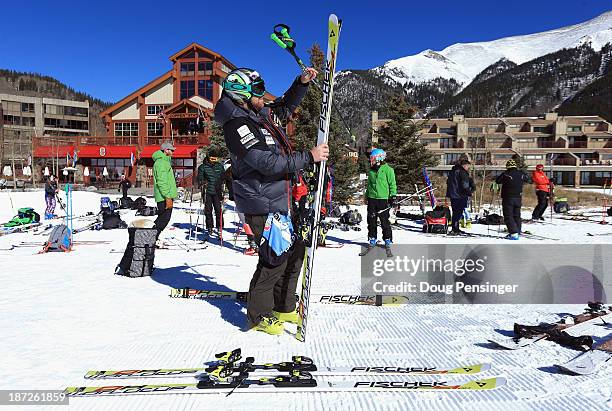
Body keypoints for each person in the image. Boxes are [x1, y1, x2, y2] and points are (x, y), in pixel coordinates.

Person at [214, 66, 327, 335]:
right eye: (257, 92)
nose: (263, 96)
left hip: (277, 198)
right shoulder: (237, 125)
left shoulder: (259, 115)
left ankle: (283, 306)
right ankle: (258, 316)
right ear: (240, 94)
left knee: (294, 251)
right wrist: (308, 157)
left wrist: (301, 84)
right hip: (259, 201)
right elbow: (265, 162)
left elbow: (283, 109)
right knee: (274, 258)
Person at [365, 148, 397, 249]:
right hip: (372, 198)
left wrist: (393, 196)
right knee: (371, 220)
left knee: (384, 220)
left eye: (373, 158)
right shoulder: (371, 170)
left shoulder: (388, 170)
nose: (371, 160)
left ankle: (387, 239)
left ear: (379, 158)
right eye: (371, 158)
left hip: (383, 199)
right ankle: (372, 238)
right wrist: (367, 196)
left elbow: (392, 184)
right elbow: (369, 184)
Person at [495, 159, 531, 240]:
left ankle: (513, 232)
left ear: (507, 166)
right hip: (518, 197)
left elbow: (498, 181)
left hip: (508, 197)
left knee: (508, 216)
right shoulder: (521, 174)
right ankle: (517, 230)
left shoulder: (506, 174)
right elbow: (529, 180)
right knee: (517, 215)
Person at [152, 142, 177, 238]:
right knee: (163, 219)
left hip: (166, 196)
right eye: (171, 150)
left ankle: (152, 238)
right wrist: (167, 197)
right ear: (166, 150)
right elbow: (161, 181)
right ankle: (151, 238)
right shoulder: (161, 162)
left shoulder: (165, 161)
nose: (173, 152)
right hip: (164, 197)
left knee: (162, 218)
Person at [197, 155, 225, 236]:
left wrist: (224, 182)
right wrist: (201, 182)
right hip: (207, 191)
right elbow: (200, 177)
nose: (214, 160)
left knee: (218, 210)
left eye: (215, 158)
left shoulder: (219, 166)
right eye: (212, 158)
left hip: (217, 191)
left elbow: (223, 177)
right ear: (208, 158)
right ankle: (209, 227)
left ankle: (219, 227)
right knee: (208, 210)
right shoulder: (203, 167)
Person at [446, 159, 475, 235]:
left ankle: (455, 228)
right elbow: (464, 184)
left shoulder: (452, 172)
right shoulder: (462, 172)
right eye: (468, 166)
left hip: (453, 195)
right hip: (460, 195)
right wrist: (469, 192)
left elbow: (448, 183)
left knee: (455, 212)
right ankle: (455, 229)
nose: (468, 168)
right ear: (464, 165)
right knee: (458, 212)